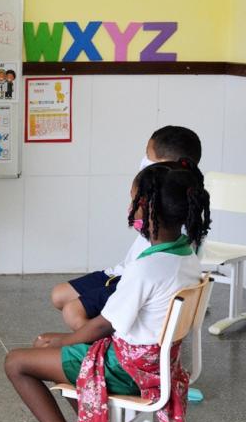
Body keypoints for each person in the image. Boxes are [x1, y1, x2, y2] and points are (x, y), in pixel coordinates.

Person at [4, 159, 211, 422]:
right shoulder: (187, 256)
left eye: (134, 201)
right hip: (159, 366)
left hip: (127, 370)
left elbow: (104, 325)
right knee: (51, 348)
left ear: (149, 211)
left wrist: (63, 340)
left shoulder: (146, 268)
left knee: (16, 363)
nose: (130, 209)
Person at [50, 126, 203, 330]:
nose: (143, 162)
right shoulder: (159, 190)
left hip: (139, 279)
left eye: (148, 156)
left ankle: (108, 352)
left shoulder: (178, 205)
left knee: (73, 312)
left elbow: (157, 271)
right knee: (59, 295)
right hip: (127, 271)